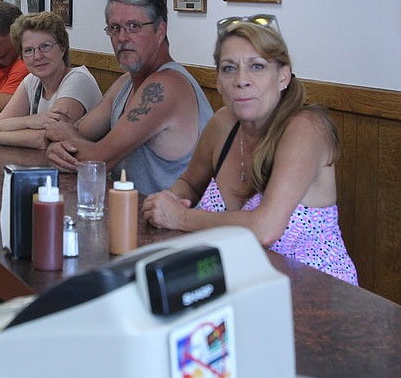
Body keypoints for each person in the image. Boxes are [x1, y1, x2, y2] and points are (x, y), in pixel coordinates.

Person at [141, 20, 357, 284]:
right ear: (219, 82)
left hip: (320, 296)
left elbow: (264, 229)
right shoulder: (223, 124)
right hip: (240, 285)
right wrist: (167, 200)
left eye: (257, 67)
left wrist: (180, 216)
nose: (242, 81)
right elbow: (189, 183)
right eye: (229, 69)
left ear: (283, 76)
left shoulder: (306, 129)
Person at [45, 0, 212, 194]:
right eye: (115, 28)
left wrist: (64, 140)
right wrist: (58, 145)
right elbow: (78, 133)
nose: (122, 37)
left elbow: (96, 160)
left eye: (134, 26)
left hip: (178, 223)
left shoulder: (166, 86)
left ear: (160, 30)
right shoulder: (125, 83)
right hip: (129, 216)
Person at [0, 11, 102, 149]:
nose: (37, 56)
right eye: (29, 50)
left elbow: (45, 138)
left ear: (62, 47)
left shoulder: (78, 80)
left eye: (45, 46)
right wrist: (30, 121)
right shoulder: (32, 80)